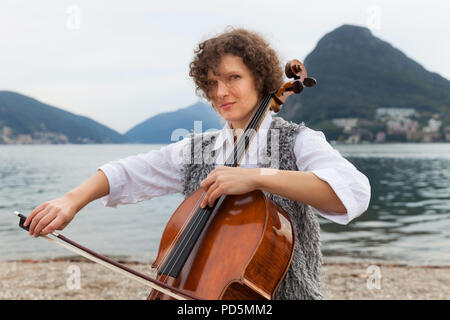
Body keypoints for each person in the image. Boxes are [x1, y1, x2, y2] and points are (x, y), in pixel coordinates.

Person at [24, 27, 371, 300]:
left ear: (260, 80)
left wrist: (258, 177)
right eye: (212, 82)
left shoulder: (296, 141)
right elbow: (126, 172)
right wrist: (71, 200)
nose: (220, 92)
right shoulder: (197, 149)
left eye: (232, 78)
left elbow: (353, 192)